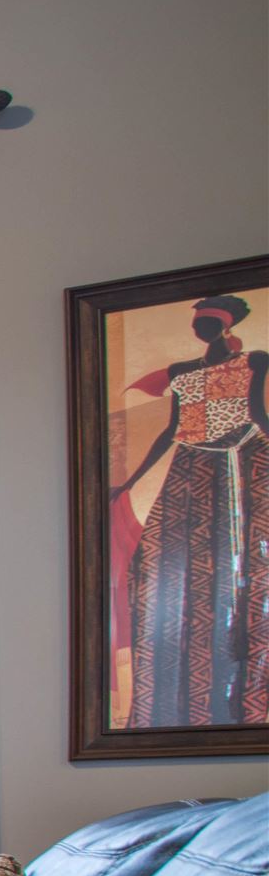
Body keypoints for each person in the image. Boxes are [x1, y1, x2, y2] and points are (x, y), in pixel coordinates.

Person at [121, 292, 269, 727]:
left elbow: (258, 413)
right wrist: (131, 481)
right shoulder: (183, 373)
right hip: (193, 468)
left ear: (225, 326)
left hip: (245, 457)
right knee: (174, 567)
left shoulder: (254, 360)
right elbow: (171, 430)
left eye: (207, 322)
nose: (199, 329)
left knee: (252, 566)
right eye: (197, 323)